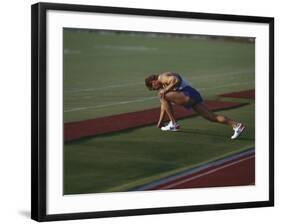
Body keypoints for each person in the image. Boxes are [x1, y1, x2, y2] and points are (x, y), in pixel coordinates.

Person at [144, 72, 245, 139]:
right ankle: (236, 125)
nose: (156, 89)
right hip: (193, 95)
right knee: (211, 117)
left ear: (153, 82)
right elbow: (163, 106)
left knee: (162, 94)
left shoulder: (162, 77)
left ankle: (173, 124)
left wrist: (165, 90)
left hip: (188, 94)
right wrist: (160, 122)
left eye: (154, 88)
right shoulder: (163, 85)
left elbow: (175, 80)